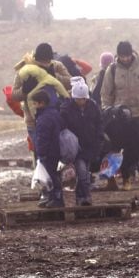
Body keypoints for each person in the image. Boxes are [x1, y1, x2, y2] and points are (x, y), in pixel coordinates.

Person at [101, 40, 139, 190]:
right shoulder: (112, 69)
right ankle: (120, 178)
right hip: (120, 116)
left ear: (131, 54)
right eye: (122, 56)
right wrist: (107, 111)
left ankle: (133, 173)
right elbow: (106, 93)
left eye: (127, 56)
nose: (125, 59)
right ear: (118, 55)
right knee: (118, 146)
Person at [11, 42, 72, 152]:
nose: (44, 65)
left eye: (46, 62)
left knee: (59, 152)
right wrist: (25, 90)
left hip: (57, 118)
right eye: (41, 63)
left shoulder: (57, 66)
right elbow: (14, 95)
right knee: (41, 154)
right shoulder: (26, 69)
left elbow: (70, 83)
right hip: (34, 122)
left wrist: (55, 76)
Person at [60, 77, 103, 206]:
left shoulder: (93, 107)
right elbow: (63, 126)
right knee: (82, 172)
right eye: (79, 99)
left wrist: (99, 139)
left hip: (90, 145)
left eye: (83, 99)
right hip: (76, 147)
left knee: (84, 172)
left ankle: (81, 197)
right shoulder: (66, 109)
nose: (81, 101)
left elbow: (99, 123)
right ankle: (85, 197)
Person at [32, 90, 64, 208]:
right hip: (55, 150)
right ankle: (51, 198)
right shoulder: (54, 113)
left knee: (51, 176)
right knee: (51, 175)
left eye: (35, 103)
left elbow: (42, 138)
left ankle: (57, 199)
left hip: (48, 152)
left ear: (41, 103)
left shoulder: (44, 118)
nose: (33, 106)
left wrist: (41, 153)